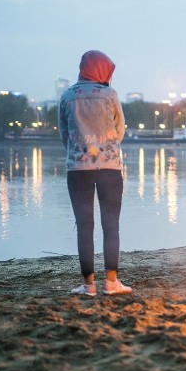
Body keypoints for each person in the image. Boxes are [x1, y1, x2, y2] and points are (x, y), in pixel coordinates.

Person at [59, 50, 132, 297]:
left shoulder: (67, 96)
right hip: (110, 168)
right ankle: (112, 283)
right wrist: (105, 149)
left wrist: (80, 150)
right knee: (111, 225)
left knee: (84, 226)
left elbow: (64, 134)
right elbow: (119, 129)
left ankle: (88, 285)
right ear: (101, 70)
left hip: (78, 169)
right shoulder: (109, 94)